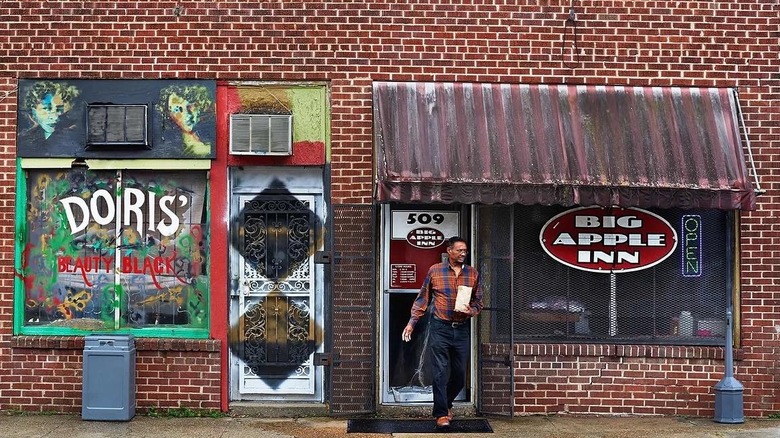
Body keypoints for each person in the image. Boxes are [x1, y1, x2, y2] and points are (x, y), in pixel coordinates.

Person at [401, 236, 483, 429]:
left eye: (465, 251)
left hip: (461, 329)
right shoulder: (435, 271)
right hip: (440, 328)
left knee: (460, 374)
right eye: (460, 250)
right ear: (449, 251)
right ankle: (441, 414)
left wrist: (470, 311)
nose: (464, 253)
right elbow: (423, 299)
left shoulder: (472, 273)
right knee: (439, 372)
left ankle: (445, 404)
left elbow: (479, 302)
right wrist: (412, 323)